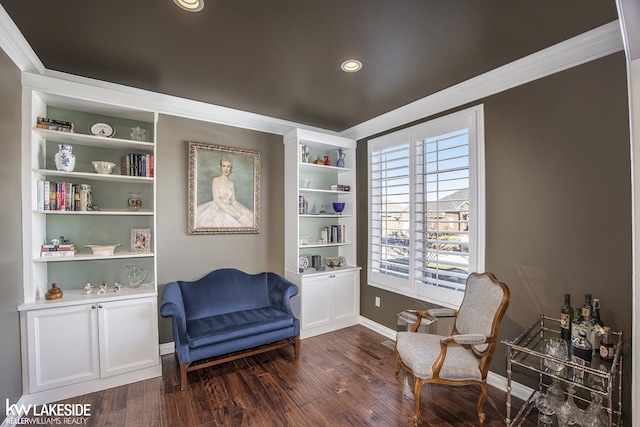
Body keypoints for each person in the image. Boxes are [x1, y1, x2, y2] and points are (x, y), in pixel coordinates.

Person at [197, 157, 254, 227]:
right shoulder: (216, 180)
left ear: (231, 169)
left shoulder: (231, 183)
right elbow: (216, 199)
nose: (226, 169)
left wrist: (237, 209)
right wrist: (231, 213)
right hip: (218, 207)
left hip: (229, 206)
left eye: (228, 166)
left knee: (243, 218)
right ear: (221, 168)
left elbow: (233, 201)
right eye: (224, 166)